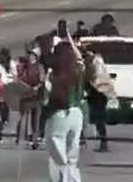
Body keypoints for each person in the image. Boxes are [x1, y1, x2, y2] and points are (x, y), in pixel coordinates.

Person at [42, 42, 85, 182]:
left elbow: (45, 97)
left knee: (57, 156)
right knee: (72, 152)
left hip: (58, 113)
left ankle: (62, 179)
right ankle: (73, 179)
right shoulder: (78, 69)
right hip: (77, 113)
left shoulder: (53, 73)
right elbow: (80, 58)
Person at [82, 46, 116, 153]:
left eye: (88, 52)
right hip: (94, 93)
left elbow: (96, 77)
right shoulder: (91, 62)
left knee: (99, 119)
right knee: (96, 119)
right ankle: (101, 141)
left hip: (99, 93)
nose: (87, 54)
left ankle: (104, 142)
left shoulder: (97, 63)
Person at [16, 51, 45, 149]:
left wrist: (36, 87)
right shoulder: (23, 67)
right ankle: (20, 137)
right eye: (28, 55)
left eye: (32, 55)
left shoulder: (39, 67)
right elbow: (18, 78)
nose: (29, 57)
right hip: (25, 95)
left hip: (36, 96)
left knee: (35, 120)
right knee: (23, 117)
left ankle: (35, 140)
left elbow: (42, 80)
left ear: (35, 57)